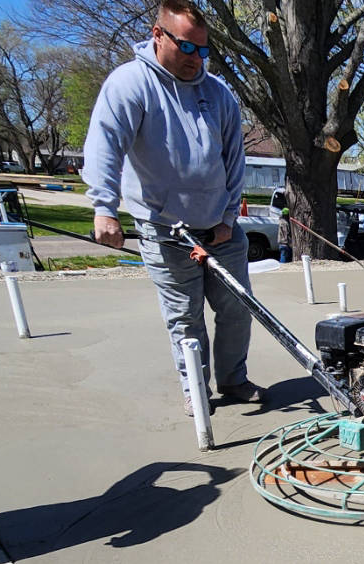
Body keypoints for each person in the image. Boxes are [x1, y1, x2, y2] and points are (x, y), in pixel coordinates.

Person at [83, 0, 259, 415]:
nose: (196, 58)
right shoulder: (131, 84)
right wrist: (104, 208)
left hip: (220, 228)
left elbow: (234, 161)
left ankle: (233, 379)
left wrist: (227, 218)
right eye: (187, 47)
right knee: (185, 316)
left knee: (238, 308)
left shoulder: (218, 94)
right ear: (158, 35)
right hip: (164, 228)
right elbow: (105, 146)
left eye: (203, 50)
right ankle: (196, 389)